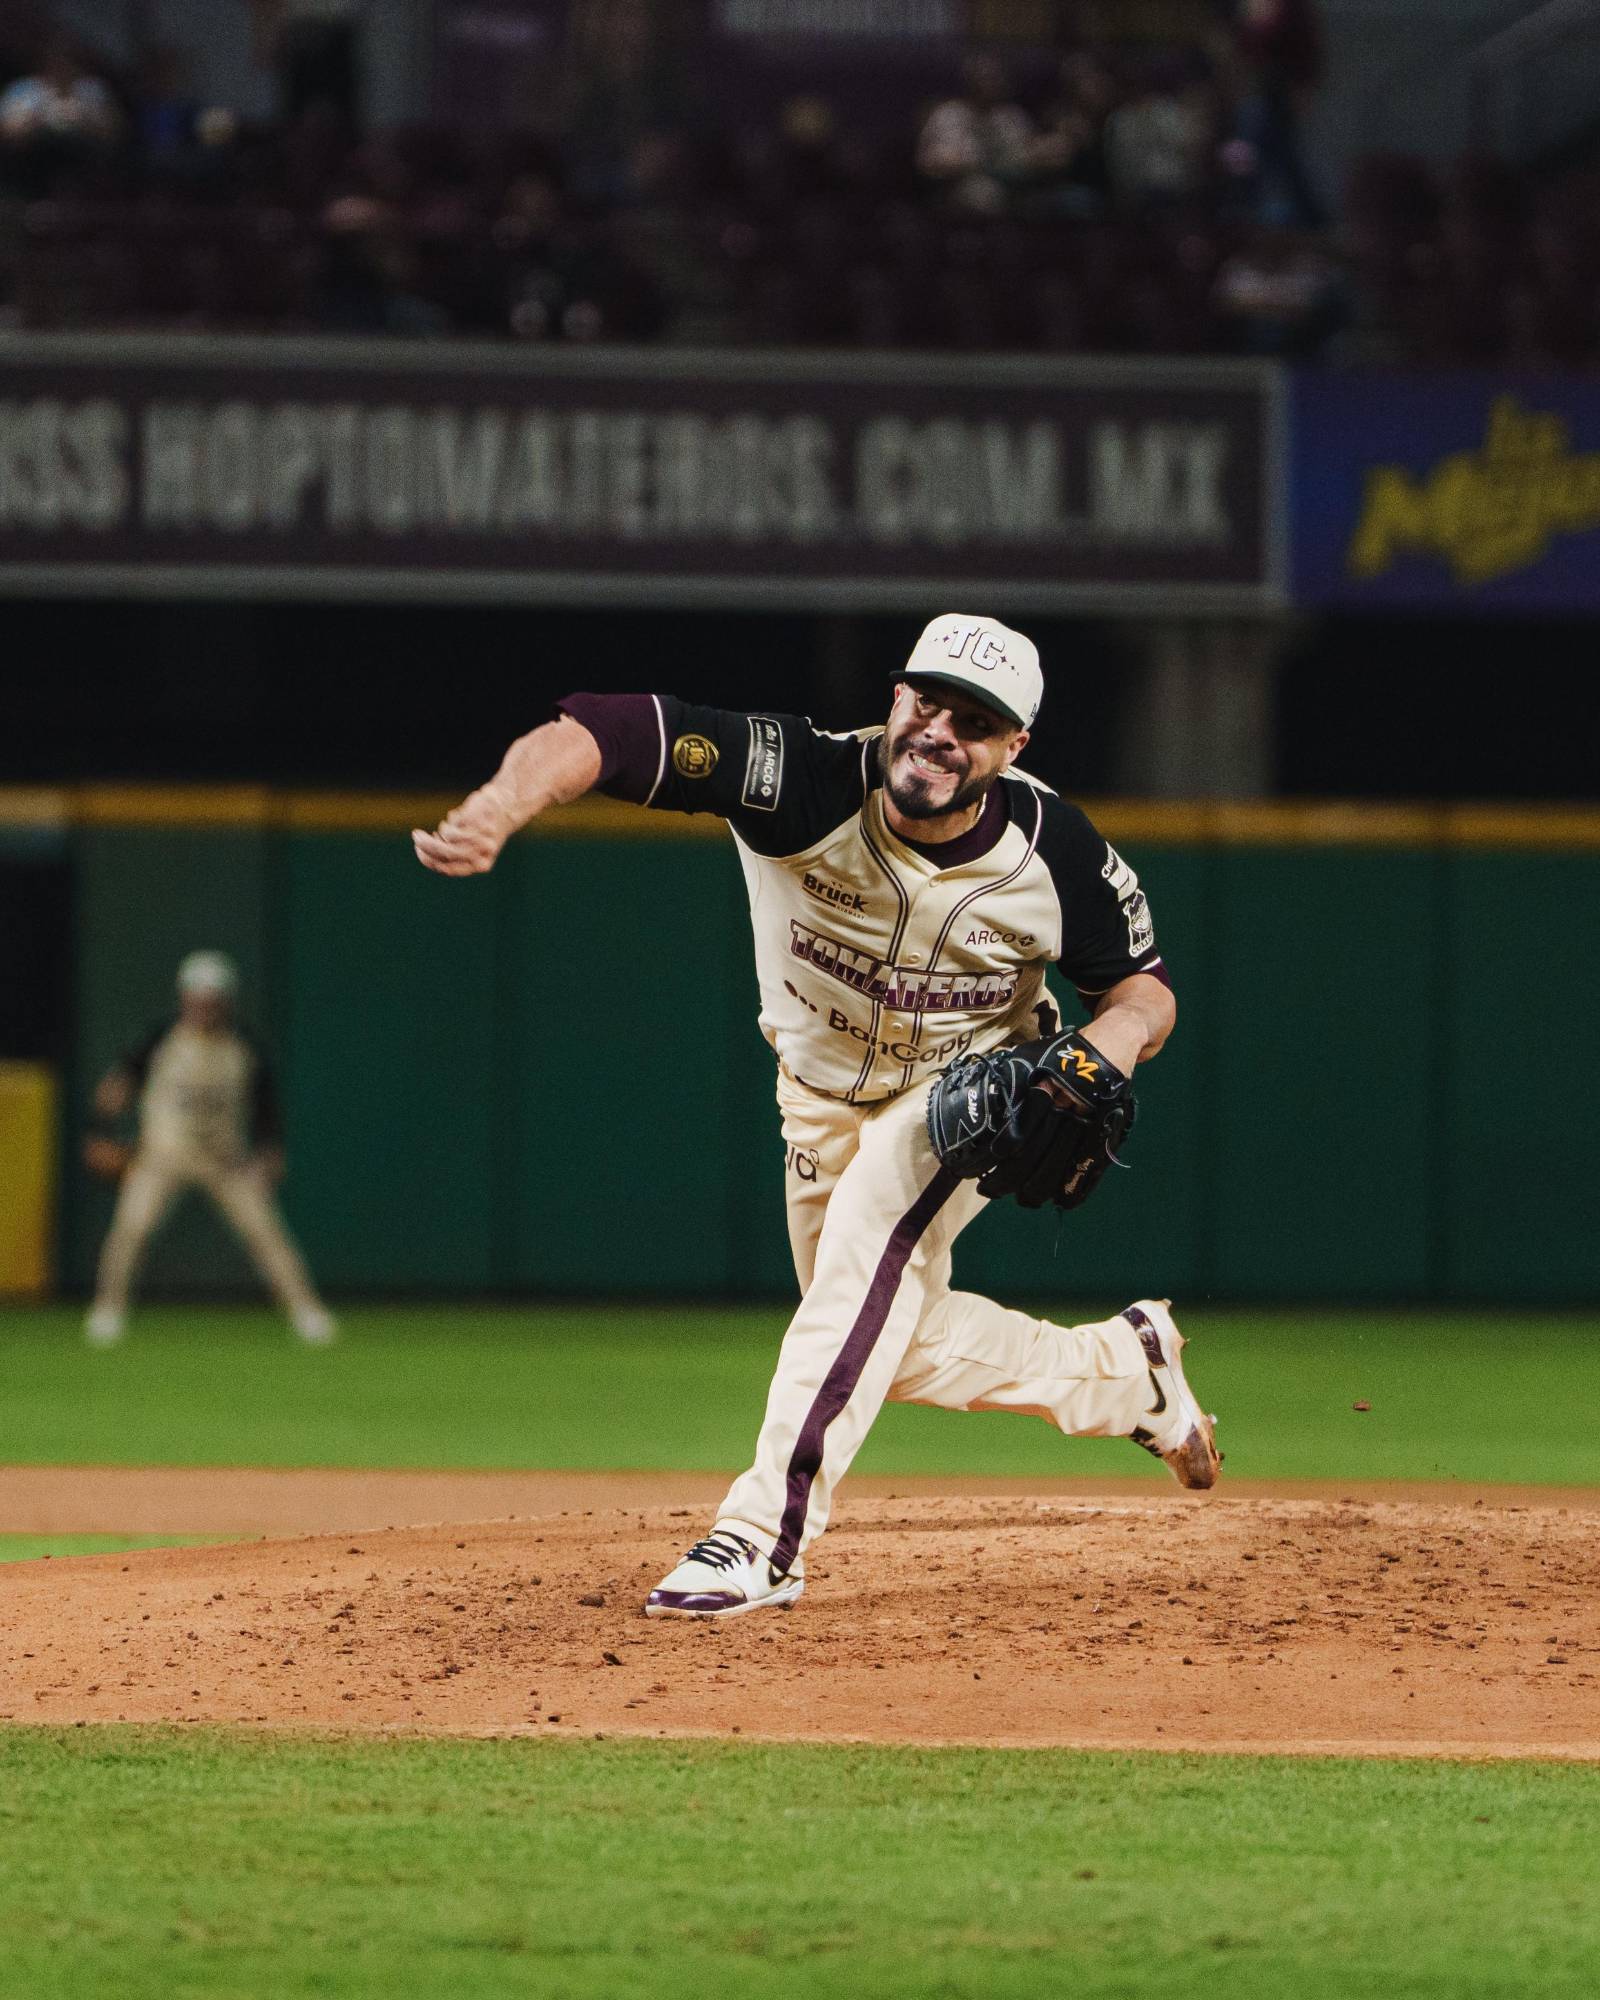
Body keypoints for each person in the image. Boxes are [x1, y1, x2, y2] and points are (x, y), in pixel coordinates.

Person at [413, 616, 1219, 1619]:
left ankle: (762, 1537)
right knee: (881, 1331)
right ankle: (1121, 1371)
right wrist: (501, 803)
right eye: (924, 701)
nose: (936, 731)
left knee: (872, 1240)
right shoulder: (797, 777)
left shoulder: (1054, 849)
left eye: (972, 721)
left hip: (965, 1094)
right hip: (817, 1095)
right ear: (893, 698)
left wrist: (1111, 1044)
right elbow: (611, 730)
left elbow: (1144, 987)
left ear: (1013, 749)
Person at [83, 951, 336, 1348]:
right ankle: (107, 1311)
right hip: (163, 1157)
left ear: (226, 1000)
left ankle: (306, 1312)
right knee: (131, 1229)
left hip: (225, 1159)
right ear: (184, 997)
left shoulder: (246, 1045)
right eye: (197, 997)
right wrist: (99, 1134)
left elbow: (267, 1106)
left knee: (266, 1233)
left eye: (212, 999)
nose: (204, 1006)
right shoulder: (157, 1038)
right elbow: (114, 1090)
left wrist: (270, 1151)